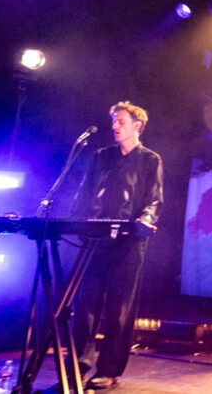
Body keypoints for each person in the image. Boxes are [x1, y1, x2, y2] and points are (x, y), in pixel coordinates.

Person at [71, 101, 163, 391]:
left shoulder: (150, 160)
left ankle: (110, 370)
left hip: (128, 244)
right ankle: (78, 367)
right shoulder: (101, 156)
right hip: (96, 240)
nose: (114, 126)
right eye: (113, 121)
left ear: (137, 125)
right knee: (85, 306)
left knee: (119, 309)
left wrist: (145, 220)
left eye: (120, 121)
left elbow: (155, 198)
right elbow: (85, 192)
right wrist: (78, 222)